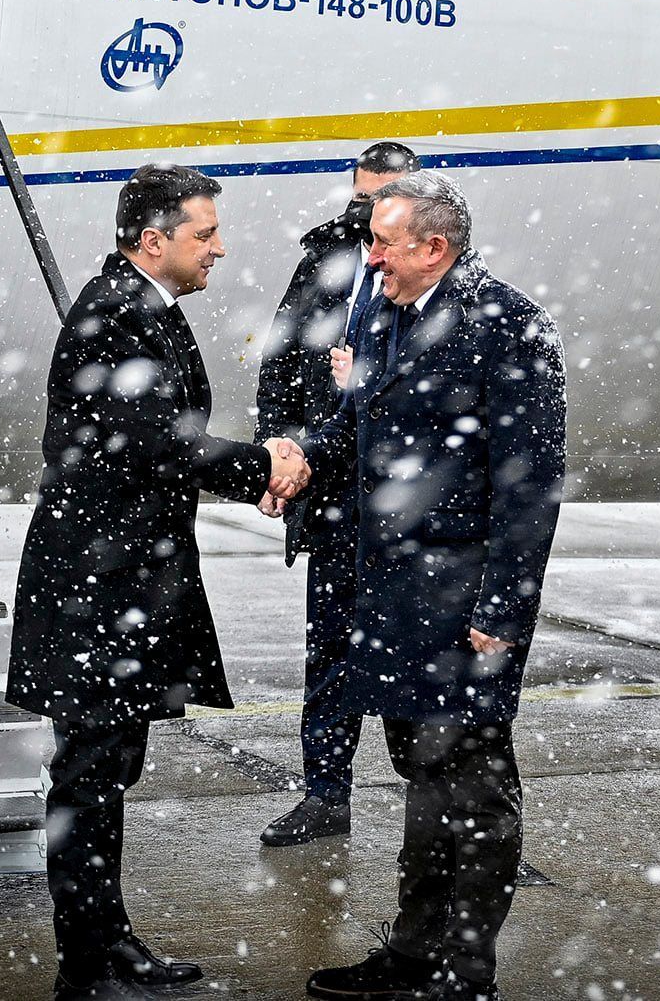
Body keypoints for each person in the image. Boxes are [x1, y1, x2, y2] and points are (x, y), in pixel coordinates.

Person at [7, 163, 310, 1001]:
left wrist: (259, 462)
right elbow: (160, 442)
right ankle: (86, 964)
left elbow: (165, 439)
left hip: (122, 581)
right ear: (153, 240)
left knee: (110, 773)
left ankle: (112, 942)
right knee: (90, 776)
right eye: (204, 234)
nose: (219, 248)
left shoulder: (146, 308)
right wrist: (266, 463)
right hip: (96, 589)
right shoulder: (115, 316)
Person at [297, 171, 566, 1001]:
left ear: (435, 247)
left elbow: (530, 486)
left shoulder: (511, 329)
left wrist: (503, 609)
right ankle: (414, 952)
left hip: (462, 601)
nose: (369, 255)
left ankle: (463, 969)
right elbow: (356, 422)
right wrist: (300, 460)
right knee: (422, 771)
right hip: (396, 595)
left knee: (474, 785)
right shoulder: (385, 307)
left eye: (383, 240)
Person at [256, 142, 421, 846]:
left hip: (402, 507)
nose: (367, 212)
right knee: (327, 653)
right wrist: (277, 453)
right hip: (331, 493)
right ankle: (325, 795)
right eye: (362, 197)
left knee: (408, 656)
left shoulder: (429, 275)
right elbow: (282, 358)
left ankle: (431, 795)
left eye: (382, 199)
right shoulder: (326, 260)